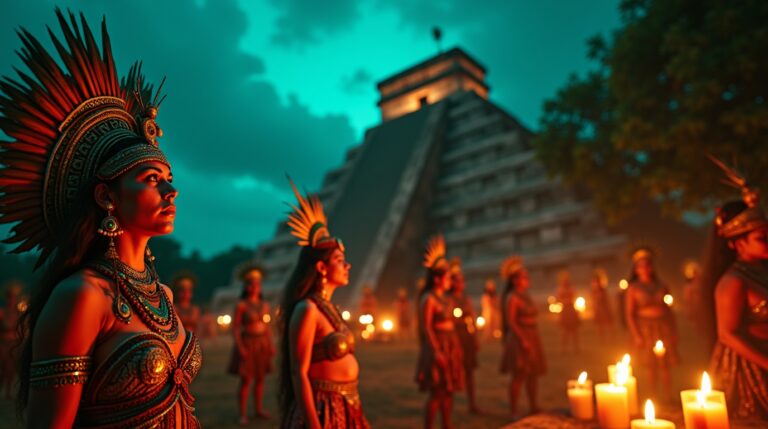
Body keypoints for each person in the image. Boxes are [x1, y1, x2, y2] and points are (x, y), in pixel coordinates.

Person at [0, 10, 201, 427]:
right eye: (151, 179)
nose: (171, 191)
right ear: (106, 195)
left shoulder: (160, 293)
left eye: (168, 178)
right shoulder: (82, 296)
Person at [278, 181, 369, 428]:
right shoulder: (307, 309)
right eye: (340, 260)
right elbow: (299, 372)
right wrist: (314, 423)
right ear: (321, 268)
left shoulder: (329, 308)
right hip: (322, 407)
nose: (347, 265)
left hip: (348, 401)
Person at [698, 157, 768, 419]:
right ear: (737, 243)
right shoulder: (733, 282)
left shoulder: (763, 271)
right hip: (751, 370)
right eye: (762, 238)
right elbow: (727, 335)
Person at [416, 235, 463, 429]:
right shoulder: (429, 299)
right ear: (437, 278)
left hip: (450, 343)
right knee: (437, 392)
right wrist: (436, 352)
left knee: (449, 391)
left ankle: (447, 424)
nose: (450, 281)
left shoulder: (447, 298)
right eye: (447, 277)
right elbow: (426, 326)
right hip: (437, 345)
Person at [625, 247, 679, 400]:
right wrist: (636, 335)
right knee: (650, 365)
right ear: (636, 269)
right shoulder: (633, 289)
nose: (645, 268)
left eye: (648, 264)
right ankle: (653, 395)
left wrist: (674, 331)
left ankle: (668, 395)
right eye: (641, 265)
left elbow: (670, 310)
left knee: (665, 364)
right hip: (645, 328)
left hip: (663, 327)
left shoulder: (662, 286)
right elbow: (629, 314)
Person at [499, 256, 545, 417]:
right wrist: (523, 339)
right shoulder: (512, 297)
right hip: (519, 339)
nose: (527, 279)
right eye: (524, 276)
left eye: (527, 276)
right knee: (519, 375)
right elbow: (511, 321)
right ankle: (513, 410)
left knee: (533, 373)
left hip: (532, 335)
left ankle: (533, 406)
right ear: (515, 280)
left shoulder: (526, 295)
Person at [228, 265, 274, 424]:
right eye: (250, 284)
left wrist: (270, 344)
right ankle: (242, 414)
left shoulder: (265, 305)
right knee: (247, 380)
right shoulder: (241, 305)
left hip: (262, 343)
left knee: (261, 378)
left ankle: (258, 409)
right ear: (246, 286)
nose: (254, 287)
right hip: (248, 342)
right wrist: (240, 347)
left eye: (257, 284)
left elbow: (267, 326)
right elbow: (235, 328)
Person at [449, 258, 481, 414]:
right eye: (457, 280)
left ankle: (472, 404)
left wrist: (475, 336)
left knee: (469, 372)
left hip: (466, 336)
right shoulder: (448, 299)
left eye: (462, 280)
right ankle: (449, 407)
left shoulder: (465, 298)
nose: (461, 283)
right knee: (453, 373)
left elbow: (472, 318)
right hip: (455, 336)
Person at [0, 282, 23, 399]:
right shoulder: (2, 312)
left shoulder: (18, 314)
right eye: (10, 298)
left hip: (13, 344)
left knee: (10, 368)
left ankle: (8, 392)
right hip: (2, 343)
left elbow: (21, 329)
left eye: (13, 298)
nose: (12, 300)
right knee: (2, 368)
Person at [555, 270, 581, 353]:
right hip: (565, 310)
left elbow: (574, 296)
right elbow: (559, 299)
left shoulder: (571, 288)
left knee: (574, 330)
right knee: (565, 331)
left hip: (571, 309)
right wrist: (564, 300)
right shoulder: (560, 289)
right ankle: (563, 348)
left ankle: (576, 348)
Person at [590, 268, 614, 343]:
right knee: (600, 326)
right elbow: (593, 300)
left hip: (604, 308)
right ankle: (602, 339)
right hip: (598, 309)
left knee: (608, 324)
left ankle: (611, 338)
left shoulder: (602, 289)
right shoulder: (593, 291)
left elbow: (606, 299)